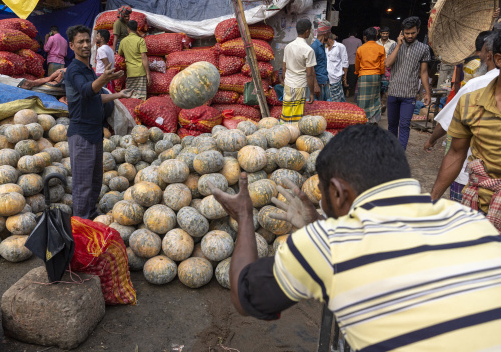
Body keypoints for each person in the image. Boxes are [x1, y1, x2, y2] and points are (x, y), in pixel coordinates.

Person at [207, 124, 501, 351]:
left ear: (337, 192)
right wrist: (320, 225)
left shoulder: (329, 244)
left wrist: (244, 216)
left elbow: (243, 297)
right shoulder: (473, 222)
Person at [431, 30, 501, 231]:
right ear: (498, 59)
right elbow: (455, 153)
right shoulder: (470, 101)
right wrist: (433, 199)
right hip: (479, 206)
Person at [65, 25, 132, 219]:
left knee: (95, 181)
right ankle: (81, 225)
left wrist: (119, 94)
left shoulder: (88, 69)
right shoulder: (74, 70)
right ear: (71, 45)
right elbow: (87, 90)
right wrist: (104, 78)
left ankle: (92, 216)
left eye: (88, 40)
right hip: (81, 135)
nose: (85, 45)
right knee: (83, 185)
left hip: (94, 134)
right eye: (80, 42)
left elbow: (95, 97)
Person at [386, 16, 431, 150]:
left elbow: (423, 73)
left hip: (409, 94)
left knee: (404, 125)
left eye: (412, 33)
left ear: (418, 31)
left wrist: (427, 93)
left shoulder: (423, 49)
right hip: (393, 92)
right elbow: (388, 64)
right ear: (402, 32)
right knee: (392, 125)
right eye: (407, 33)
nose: (410, 36)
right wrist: (399, 45)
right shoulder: (395, 46)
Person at [281, 19, 316, 124]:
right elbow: (309, 74)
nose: (309, 33)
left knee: (286, 111)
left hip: (288, 84)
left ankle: (283, 132)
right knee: (296, 116)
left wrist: (285, 81)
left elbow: (284, 68)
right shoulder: (308, 50)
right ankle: (292, 135)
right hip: (300, 85)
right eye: (309, 31)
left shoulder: (288, 46)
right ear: (306, 31)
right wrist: (312, 93)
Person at [355, 27, 386, 124]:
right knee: (375, 99)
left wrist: (357, 73)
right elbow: (382, 65)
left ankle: (362, 119)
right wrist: (381, 73)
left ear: (365, 37)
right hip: (375, 75)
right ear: (376, 37)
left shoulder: (360, 49)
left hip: (363, 75)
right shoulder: (381, 48)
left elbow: (357, 64)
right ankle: (373, 120)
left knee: (362, 100)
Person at [118, 20, 151, 100]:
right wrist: (148, 74)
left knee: (130, 98)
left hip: (130, 73)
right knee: (141, 99)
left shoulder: (123, 41)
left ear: (128, 29)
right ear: (137, 29)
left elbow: (120, 54)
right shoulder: (140, 40)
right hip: (140, 72)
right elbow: (144, 57)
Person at [310, 20, 331, 101]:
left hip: (323, 82)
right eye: (329, 33)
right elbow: (311, 67)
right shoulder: (315, 46)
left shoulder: (322, 46)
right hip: (318, 84)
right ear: (326, 33)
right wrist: (315, 85)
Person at [326, 33, 349, 102]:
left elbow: (345, 63)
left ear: (329, 39)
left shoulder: (340, 46)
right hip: (326, 78)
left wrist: (345, 78)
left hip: (335, 78)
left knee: (336, 100)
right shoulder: (325, 47)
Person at [341, 30, 362, 97]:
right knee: (352, 78)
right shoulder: (358, 41)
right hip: (354, 62)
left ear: (349, 34)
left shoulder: (344, 41)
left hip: (344, 62)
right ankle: (348, 90)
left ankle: (345, 90)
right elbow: (360, 52)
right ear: (356, 34)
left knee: (344, 76)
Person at [377, 26, 395, 99]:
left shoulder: (393, 43)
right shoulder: (376, 43)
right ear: (380, 34)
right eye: (383, 33)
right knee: (378, 84)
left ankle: (385, 100)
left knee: (387, 85)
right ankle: (379, 100)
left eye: (386, 33)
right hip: (378, 66)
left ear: (389, 34)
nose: (385, 35)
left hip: (389, 67)